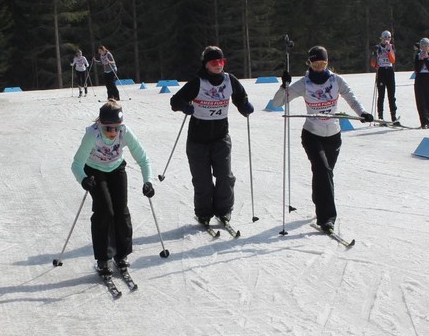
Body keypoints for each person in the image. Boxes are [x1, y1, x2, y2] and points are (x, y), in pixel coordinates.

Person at [272, 46, 373, 234]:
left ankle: (319, 200)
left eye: (323, 64)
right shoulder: (304, 84)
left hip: (333, 136)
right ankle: (326, 219)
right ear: (309, 63)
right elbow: (277, 103)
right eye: (315, 64)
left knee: (325, 174)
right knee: (322, 170)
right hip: (312, 134)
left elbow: (351, 98)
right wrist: (283, 86)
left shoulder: (336, 80)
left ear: (327, 63)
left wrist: (363, 113)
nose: (319, 68)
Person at [169, 46, 254, 226]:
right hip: (198, 140)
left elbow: (240, 97)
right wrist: (184, 106)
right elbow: (175, 101)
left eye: (221, 61)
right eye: (214, 62)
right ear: (206, 64)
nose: (218, 65)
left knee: (225, 176)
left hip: (221, 138)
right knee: (203, 181)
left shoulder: (230, 80)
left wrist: (244, 106)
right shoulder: (198, 82)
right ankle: (204, 212)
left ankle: (224, 210)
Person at [71, 100, 153, 278]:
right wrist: (83, 180)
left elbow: (143, 158)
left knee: (121, 210)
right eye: (108, 128)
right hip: (94, 171)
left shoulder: (125, 131)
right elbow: (76, 164)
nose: (113, 132)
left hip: (116, 168)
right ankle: (103, 258)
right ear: (100, 124)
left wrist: (148, 181)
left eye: (116, 127)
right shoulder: (93, 134)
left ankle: (121, 254)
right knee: (105, 210)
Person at [370, 30, 398, 124]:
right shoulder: (377, 47)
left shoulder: (391, 46)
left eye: (388, 37)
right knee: (381, 95)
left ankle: (393, 116)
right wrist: (375, 63)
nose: (387, 39)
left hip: (389, 70)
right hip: (381, 71)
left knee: (391, 95)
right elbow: (372, 62)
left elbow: (393, 60)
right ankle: (380, 116)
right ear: (381, 38)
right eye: (385, 37)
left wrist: (389, 50)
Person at [413, 37, 429, 129]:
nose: (424, 48)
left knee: (428, 101)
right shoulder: (417, 56)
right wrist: (421, 59)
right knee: (420, 101)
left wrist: (426, 59)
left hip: (428, 80)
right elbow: (417, 69)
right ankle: (423, 122)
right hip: (419, 80)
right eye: (422, 46)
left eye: (426, 46)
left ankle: (427, 121)